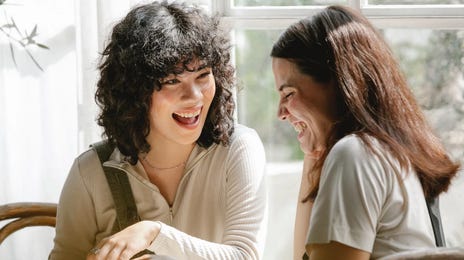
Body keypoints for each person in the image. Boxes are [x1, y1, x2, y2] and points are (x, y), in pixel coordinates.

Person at [49, 1, 267, 259]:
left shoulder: (239, 148)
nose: (194, 96)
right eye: (172, 81)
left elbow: (245, 256)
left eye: (202, 75)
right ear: (134, 92)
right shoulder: (90, 172)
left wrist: (154, 234)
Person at [270, 5, 460, 260]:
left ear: (338, 84)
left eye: (289, 93)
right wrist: (315, 151)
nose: (280, 112)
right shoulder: (388, 153)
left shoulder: (354, 155)